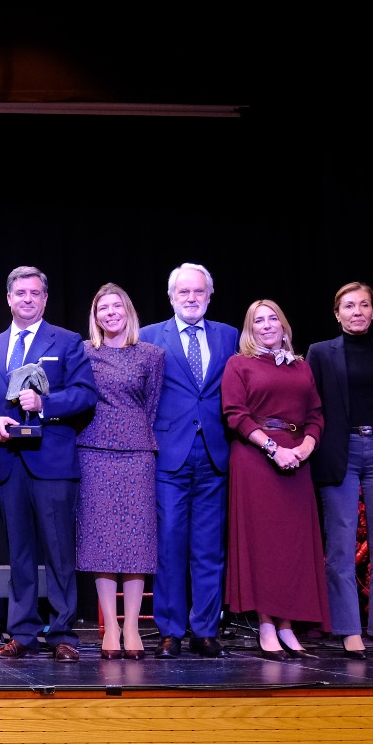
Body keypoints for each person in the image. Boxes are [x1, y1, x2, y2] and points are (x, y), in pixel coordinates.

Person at [0, 267, 96, 661]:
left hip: (52, 462)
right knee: (19, 552)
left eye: (35, 293)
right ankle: (22, 632)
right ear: (8, 298)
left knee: (59, 551)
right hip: (7, 463)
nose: (27, 298)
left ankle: (62, 633)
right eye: (20, 292)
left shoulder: (68, 341)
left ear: (45, 299)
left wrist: (46, 404)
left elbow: (84, 394)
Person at [307, 282, 373, 660]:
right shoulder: (319, 353)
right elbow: (311, 407)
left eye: (364, 305)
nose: (357, 311)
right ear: (337, 313)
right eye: (349, 306)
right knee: (340, 546)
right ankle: (348, 629)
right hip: (341, 452)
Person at [140, 263, 238, 658]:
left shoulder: (229, 335)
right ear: (171, 297)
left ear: (209, 296)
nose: (192, 299)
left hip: (215, 452)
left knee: (209, 549)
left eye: (199, 292)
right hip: (169, 454)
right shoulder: (149, 337)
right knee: (170, 545)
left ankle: (205, 629)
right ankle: (169, 630)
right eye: (184, 293)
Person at [221, 299, 329, 659]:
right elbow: (235, 414)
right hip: (256, 460)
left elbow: (315, 413)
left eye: (272, 319)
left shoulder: (301, 366)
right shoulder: (239, 364)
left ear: (283, 326)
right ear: (249, 330)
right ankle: (267, 625)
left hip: (297, 461)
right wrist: (273, 448)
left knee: (293, 547)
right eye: (258, 321)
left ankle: (288, 624)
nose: (266, 325)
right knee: (264, 545)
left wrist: (307, 445)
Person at [75, 283, 164, 660]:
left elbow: (154, 405)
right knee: (101, 541)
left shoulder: (151, 355)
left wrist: (136, 436)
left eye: (115, 306)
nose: (109, 313)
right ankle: (110, 626)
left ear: (127, 310)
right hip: (94, 450)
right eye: (102, 308)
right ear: (95, 317)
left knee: (136, 540)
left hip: (137, 452)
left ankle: (132, 627)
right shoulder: (82, 351)